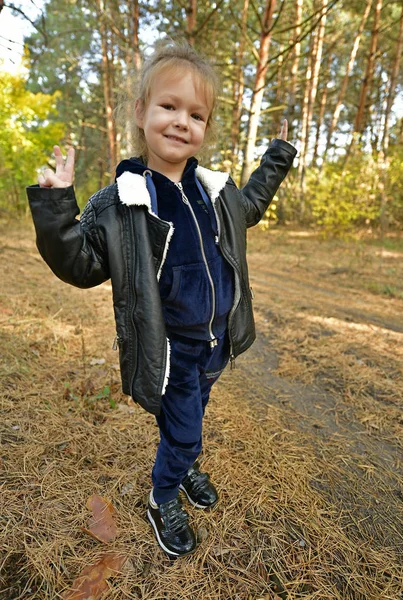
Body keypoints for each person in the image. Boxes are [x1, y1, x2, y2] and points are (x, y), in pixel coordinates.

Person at [27, 41, 297, 559]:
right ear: (141, 112)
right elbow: (79, 264)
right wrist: (56, 204)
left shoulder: (215, 190)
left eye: (196, 115)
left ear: (205, 129)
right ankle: (163, 494)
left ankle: (185, 457)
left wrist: (276, 160)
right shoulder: (124, 200)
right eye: (169, 107)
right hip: (170, 345)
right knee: (185, 421)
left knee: (194, 409)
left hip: (214, 339)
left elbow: (252, 207)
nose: (181, 122)